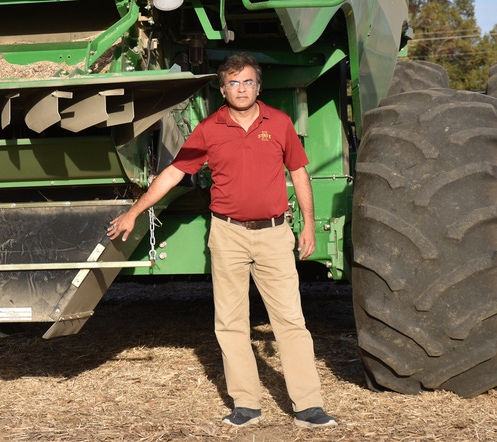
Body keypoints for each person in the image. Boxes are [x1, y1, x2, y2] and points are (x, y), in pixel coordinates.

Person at [106, 54, 337, 429]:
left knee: (290, 321)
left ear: (258, 87)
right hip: (227, 234)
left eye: (247, 82)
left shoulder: (278, 123)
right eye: (233, 83)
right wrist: (134, 212)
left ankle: (308, 405)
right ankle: (246, 403)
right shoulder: (209, 129)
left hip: (275, 234)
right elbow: (173, 174)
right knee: (230, 321)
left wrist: (308, 225)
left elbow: (299, 172)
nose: (241, 89)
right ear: (222, 88)